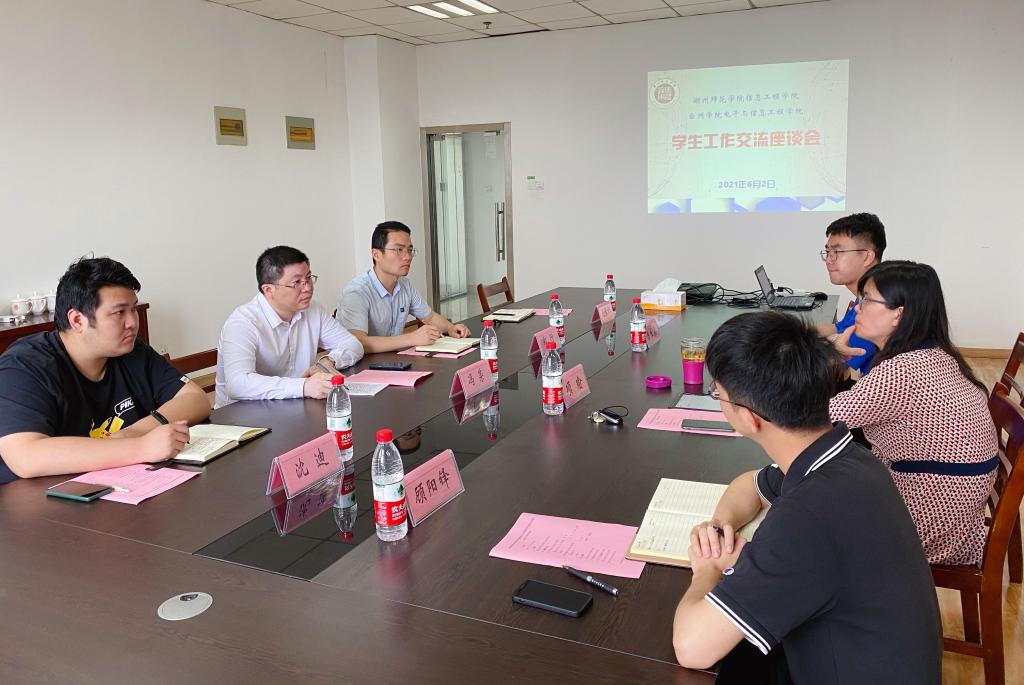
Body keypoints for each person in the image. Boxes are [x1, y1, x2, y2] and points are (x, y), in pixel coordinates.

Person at [671, 311, 941, 684]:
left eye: (719, 394)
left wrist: (707, 570)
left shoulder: (806, 516)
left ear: (749, 417)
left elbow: (692, 647)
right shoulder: (844, 455)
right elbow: (748, 485)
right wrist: (721, 528)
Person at [829, 261, 997, 565]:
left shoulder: (900, 371)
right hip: (952, 507)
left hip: (926, 523)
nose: (857, 309)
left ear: (899, 314)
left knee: (812, 513)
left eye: (866, 300)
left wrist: (829, 359)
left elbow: (818, 417)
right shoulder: (934, 355)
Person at [0, 257, 211, 484]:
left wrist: (132, 433)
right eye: (119, 312)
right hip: (41, 497)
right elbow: (25, 457)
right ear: (77, 320)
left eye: (134, 309)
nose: (133, 322)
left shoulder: (130, 350)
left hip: (119, 485)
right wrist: (140, 447)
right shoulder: (24, 366)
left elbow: (195, 399)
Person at [215, 246, 363, 408]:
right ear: (269, 290)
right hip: (242, 415)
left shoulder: (313, 310)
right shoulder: (243, 323)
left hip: (294, 405)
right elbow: (238, 384)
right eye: (297, 283)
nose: (308, 288)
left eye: (308, 278)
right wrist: (303, 386)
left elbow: (352, 344)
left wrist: (329, 361)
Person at [338, 221, 469, 353]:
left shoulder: (405, 285)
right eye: (399, 250)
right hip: (366, 363)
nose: (408, 257)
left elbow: (429, 317)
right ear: (376, 254)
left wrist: (450, 328)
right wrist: (411, 338)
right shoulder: (357, 292)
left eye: (410, 250)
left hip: (396, 359)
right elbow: (357, 342)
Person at [816, 212, 885, 371]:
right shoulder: (864, 296)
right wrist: (793, 330)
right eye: (828, 252)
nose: (829, 260)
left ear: (867, 257)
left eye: (837, 252)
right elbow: (838, 327)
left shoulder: (878, 306)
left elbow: (836, 359)